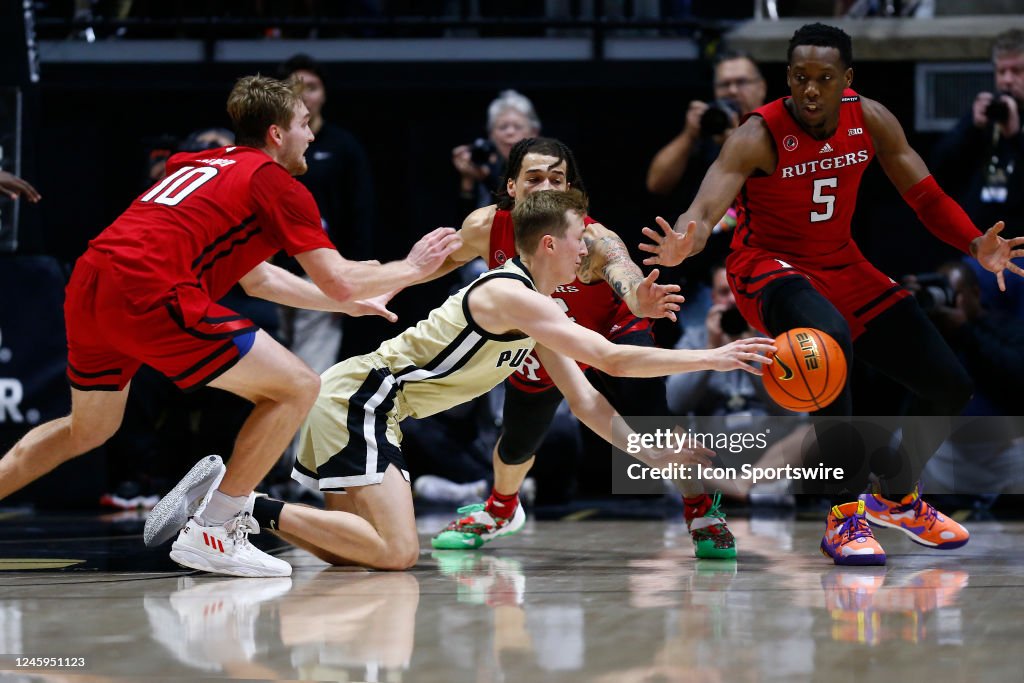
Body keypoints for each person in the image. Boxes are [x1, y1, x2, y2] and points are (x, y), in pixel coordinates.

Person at [0, 74, 462, 577]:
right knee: (297, 387)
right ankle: (215, 528)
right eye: (305, 124)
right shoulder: (274, 182)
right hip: (149, 287)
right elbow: (341, 278)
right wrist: (412, 268)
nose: (312, 135)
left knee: (87, 428)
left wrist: (346, 306)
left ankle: (218, 517)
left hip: (92, 281)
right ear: (277, 134)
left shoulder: (202, 163)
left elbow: (259, 278)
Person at [639, 23, 1024, 566]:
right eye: (800, 78)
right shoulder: (759, 133)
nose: (811, 90)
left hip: (842, 264)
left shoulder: (868, 117)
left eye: (824, 78)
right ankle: (844, 518)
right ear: (788, 79)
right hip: (766, 269)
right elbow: (704, 209)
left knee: (950, 384)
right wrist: (687, 241)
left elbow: (927, 196)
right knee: (830, 341)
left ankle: (896, 497)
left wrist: (974, 242)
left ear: (847, 79)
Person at [226, 189, 774, 570]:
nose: (587, 249)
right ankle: (237, 506)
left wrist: (658, 456)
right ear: (550, 246)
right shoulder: (511, 294)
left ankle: (232, 512)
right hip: (362, 401)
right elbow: (613, 359)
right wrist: (715, 357)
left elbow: (585, 401)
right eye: (579, 238)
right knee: (397, 553)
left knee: (359, 554)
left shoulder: (533, 308)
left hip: (362, 401)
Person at [429, 137, 739, 559]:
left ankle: (700, 508)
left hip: (609, 328)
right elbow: (439, 263)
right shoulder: (485, 227)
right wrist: (385, 281)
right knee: (517, 442)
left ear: (571, 189)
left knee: (650, 414)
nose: (546, 188)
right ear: (512, 187)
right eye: (533, 178)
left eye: (557, 179)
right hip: (545, 333)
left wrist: (638, 299)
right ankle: (501, 508)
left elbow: (624, 272)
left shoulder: (593, 239)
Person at [277, 54, 376, 373]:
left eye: (313, 87)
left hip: (321, 267)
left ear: (325, 94)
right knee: (273, 363)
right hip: (272, 265)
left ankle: (303, 425)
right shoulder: (268, 146)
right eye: (296, 87)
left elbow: (359, 212)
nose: (305, 94)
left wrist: (352, 275)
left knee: (311, 363)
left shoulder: (342, 146)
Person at [932, 29, 1024, 320]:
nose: (1007, 80)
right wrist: (970, 127)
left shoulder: (1011, 128)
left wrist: (1014, 138)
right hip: (981, 252)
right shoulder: (986, 121)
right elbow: (938, 171)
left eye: (1018, 71)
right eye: (1002, 71)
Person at [452, 89, 541, 217]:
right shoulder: (486, 164)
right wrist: (468, 180)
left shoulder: (545, 166)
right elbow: (464, 226)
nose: (510, 132)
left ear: (534, 133)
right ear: (491, 135)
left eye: (518, 127)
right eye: (502, 127)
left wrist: (487, 178)